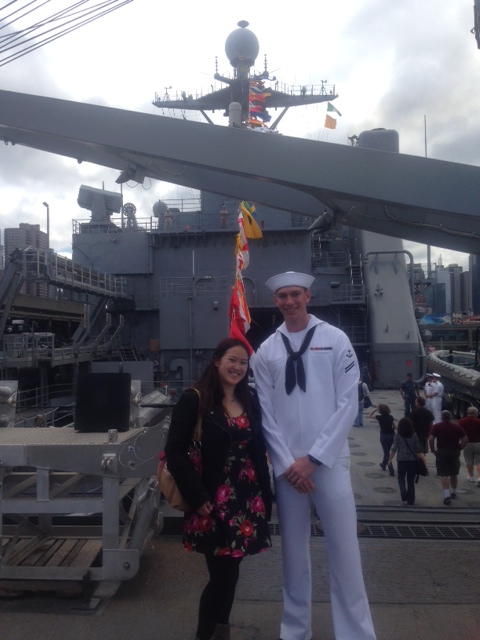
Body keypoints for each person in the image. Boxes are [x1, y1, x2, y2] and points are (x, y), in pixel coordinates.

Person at [252, 271, 376, 640]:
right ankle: (294, 631)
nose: (289, 302)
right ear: (275, 302)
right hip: (288, 467)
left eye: (295, 294)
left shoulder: (335, 340)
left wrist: (316, 458)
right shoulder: (266, 351)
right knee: (293, 555)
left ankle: (355, 633)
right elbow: (265, 412)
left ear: (308, 296)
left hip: (329, 463)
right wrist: (287, 462)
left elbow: (347, 403)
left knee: (345, 552)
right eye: (282, 296)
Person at [165, 338, 272, 640]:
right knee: (221, 576)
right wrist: (197, 497)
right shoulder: (194, 400)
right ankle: (206, 635)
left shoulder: (249, 399)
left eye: (243, 362)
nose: (238, 367)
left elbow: (257, 449)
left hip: (246, 500)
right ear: (216, 361)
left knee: (232, 570)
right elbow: (175, 452)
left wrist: (266, 496)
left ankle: (221, 629)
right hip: (212, 500)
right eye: (232, 360)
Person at [429, 410, 468, 505]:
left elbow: (431, 438)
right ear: (450, 418)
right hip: (454, 452)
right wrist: (460, 448)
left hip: (442, 452)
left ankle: (447, 496)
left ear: (441, 418)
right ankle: (453, 492)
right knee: (454, 473)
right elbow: (465, 439)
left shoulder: (437, 426)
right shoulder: (457, 427)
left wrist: (433, 450)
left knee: (444, 474)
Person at [388, 417, 426, 506]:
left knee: (401, 477)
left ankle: (403, 491)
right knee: (410, 480)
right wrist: (424, 460)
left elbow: (394, 448)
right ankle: (411, 499)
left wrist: (390, 459)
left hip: (401, 460)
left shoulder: (398, 435)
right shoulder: (414, 435)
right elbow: (418, 448)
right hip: (412, 461)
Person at [370, 403, 396, 476]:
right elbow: (395, 426)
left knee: (386, 452)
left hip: (384, 436)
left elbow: (370, 415)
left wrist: (375, 409)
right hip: (391, 435)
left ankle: (390, 466)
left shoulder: (379, 417)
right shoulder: (390, 417)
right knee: (387, 451)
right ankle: (383, 464)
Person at [458, 406, 480, 485]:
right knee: (479, 461)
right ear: (475, 413)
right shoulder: (479, 421)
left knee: (469, 461)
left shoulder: (461, 422)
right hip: (478, 443)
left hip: (466, 444)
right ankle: (479, 477)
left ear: (467, 413)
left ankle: (471, 476)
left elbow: (459, 433)